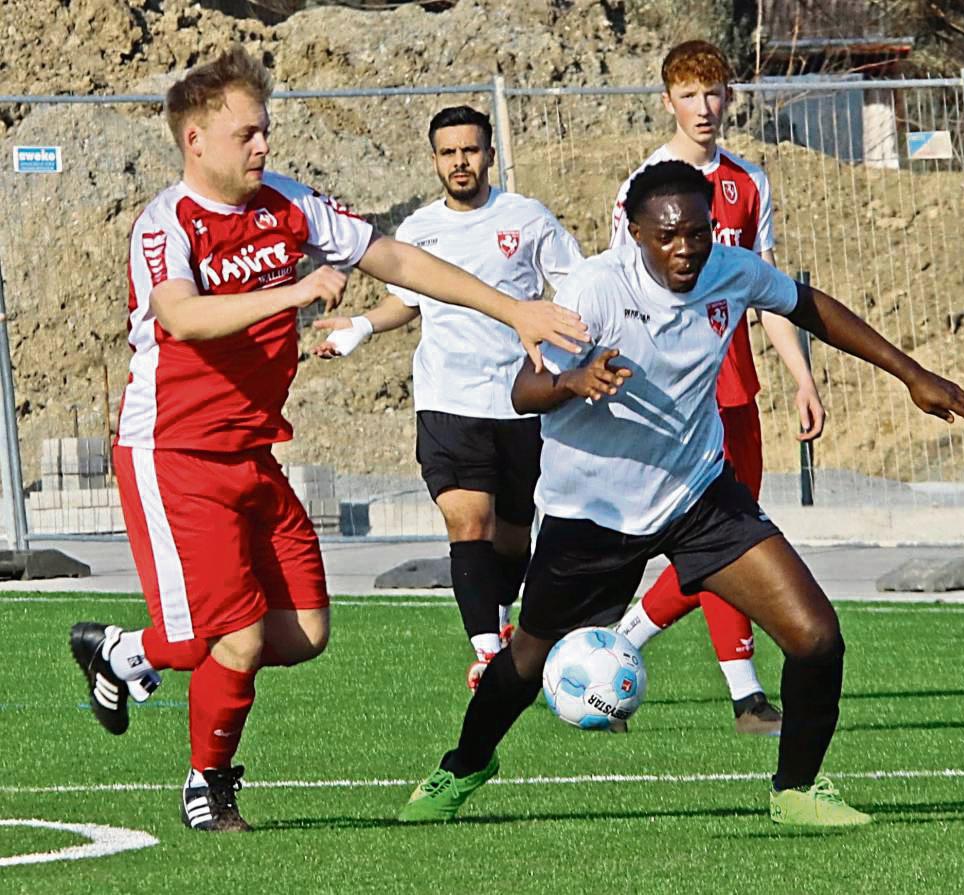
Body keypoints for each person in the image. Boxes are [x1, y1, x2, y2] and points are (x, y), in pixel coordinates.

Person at [68, 46, 586, 833]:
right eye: (246, 134)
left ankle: (122, 653)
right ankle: (206, 782)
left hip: (251, 455)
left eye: (265, 130)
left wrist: (513, 311)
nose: (263, 145)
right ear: (195, 140)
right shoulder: (165, 223)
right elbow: (182, 316)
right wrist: (296, 289)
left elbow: (402, 258)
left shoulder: (291, 205)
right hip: (172, 455)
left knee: (303, 631)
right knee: (223, 638)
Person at [397, 160, 964, 828]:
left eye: (698, 233)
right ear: (636, 233)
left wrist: (911, 373)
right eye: (668, 236)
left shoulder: (729, 270)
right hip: (591, 514)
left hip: (697, 495)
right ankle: (466, 763)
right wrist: (575, 380)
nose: (686, 249)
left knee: (817, 636)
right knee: (525, 659)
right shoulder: (593, 288)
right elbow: (522, 392)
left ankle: (795, 789)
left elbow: (808, 304)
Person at [314, 106, 584, 690]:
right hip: (446, 401)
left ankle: (501, 620)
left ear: (489, 154)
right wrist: (359, 328)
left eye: (470, 150)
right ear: (435, 160)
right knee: (469, 523)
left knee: (513, 536)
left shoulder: (527, 219)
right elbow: (405, 302)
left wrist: (572, 350)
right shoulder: (417, 232)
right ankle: (488, 654)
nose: (460, 162)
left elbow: (576, 283)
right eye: (448, 152)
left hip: (517, 400)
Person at [611, 40, 825, 736]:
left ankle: (727, 685)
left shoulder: (749, 182)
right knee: (715, 539)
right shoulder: (643, 185)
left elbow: (770, 295)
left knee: (733, 538)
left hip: (735, 389)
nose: (705, 108)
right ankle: (724, 685)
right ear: (667, 101)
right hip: (672, 395)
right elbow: (623, 288)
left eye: (715, 93)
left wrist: (800, 377)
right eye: (690, 94)